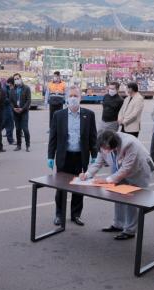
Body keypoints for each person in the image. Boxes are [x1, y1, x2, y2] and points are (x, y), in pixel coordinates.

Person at [82, 130, 152, 240]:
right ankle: (118, 224)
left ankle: (130, 230)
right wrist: (87, 174)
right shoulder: (103, 142)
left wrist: (107, 180)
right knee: (117, 196)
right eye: (103, 149)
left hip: (137, 171)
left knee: (132, 201)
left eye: (107, 149)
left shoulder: (129, 144)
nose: (105, 151)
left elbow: (126, 169)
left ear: (115, 145)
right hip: (119, 170)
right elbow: (98, 163)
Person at [48, 86, 97, 226]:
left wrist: (94, 154)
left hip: (80, 157)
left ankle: (76, 214)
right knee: (61, 188)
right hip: (64, 156)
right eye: (71, 96)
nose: (73, 98)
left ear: (80, 98)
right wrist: (50, 156)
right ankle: (59, 214)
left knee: (79, 188)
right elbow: (53, 137)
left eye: (76, 95)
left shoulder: (89, 115)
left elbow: (93, 136)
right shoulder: (59, 115)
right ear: (66, 98)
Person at [9, 73, 31, 152]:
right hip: (16, 112)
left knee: (25, 129)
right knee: (18, 129)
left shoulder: (26, 88)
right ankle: (19, 145)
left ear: (21, 78)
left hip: (24, 111)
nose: (16, 80)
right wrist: (14, 108)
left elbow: (28, 101)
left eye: (18, 78)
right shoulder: (12, 90)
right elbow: (10, 101)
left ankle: (28, 145)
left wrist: (22, 108)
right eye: (15, 79)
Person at [2, 77, 15, 146]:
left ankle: (10, 139)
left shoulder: (6, 88)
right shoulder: (5, 89)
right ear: (11, 83)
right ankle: (10, 140)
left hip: (8, 109)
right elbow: (6, 100)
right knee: (9, 125)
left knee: (5, 125)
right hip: (6, 109)